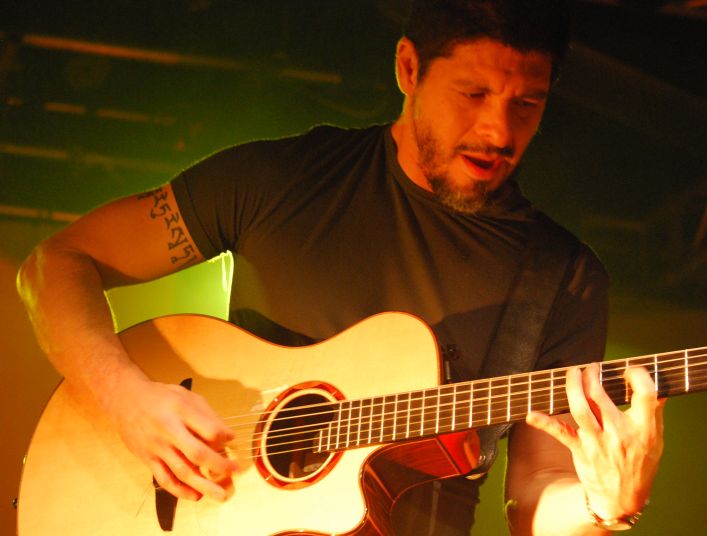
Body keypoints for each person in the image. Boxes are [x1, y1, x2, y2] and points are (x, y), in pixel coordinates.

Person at [16, 1, 664, 534]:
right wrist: (127, 397)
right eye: (473, 93)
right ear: (409, 67)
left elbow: (537, 494)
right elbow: (57, 263)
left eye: (528, 104)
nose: (498, 130)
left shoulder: (562, 276)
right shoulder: (279, 180)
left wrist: (605, 507)